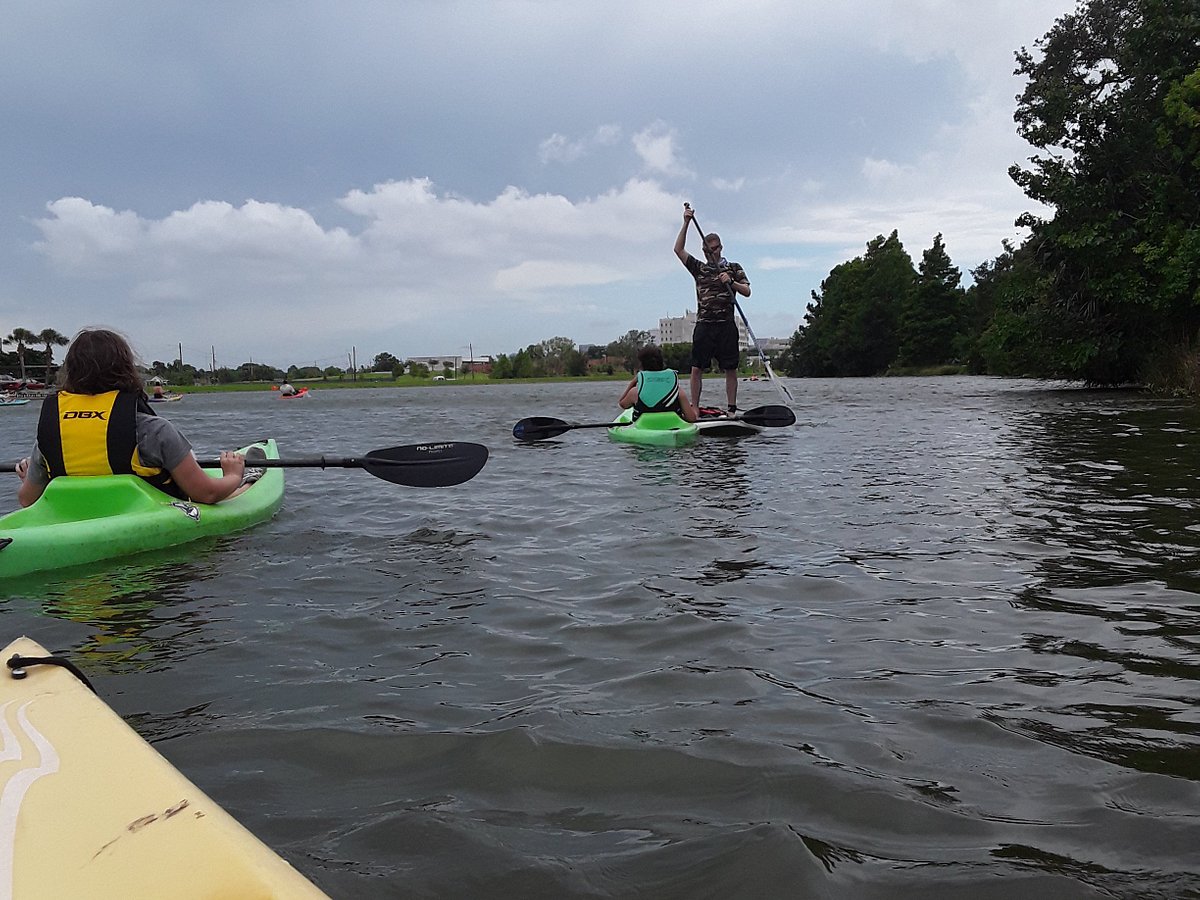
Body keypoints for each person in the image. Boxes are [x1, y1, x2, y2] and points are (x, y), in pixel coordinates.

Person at [13, 328, 260, 508]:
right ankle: (249, 481)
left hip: (80, 519)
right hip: (149, 516)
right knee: (228, 494)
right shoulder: (153, 431)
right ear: (126, 369)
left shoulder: (50, 435)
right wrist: (232, 474)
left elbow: (27, 499)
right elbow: (206, 495)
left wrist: (30, 479)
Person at [673, 204, 751, 415]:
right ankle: (695, 408)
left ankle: (732, 408)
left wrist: (731, 282)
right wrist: (686, 223)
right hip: (704, 325)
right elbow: (678, 250)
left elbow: (747, 291)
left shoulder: (734, 268)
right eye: (706, 251)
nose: (710, 254)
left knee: (730, 368)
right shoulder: (699, 268)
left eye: (713, 250)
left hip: (726, 325)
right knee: (697, 367)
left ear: (720, 248)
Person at [618, 344, 698, 423]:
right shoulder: (678, 392)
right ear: (662, 363)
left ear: (642, 366)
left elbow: (622, 404)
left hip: (644, 429)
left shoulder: (634, 393)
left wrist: (634, 382)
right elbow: (691, 418)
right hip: (671, 428)